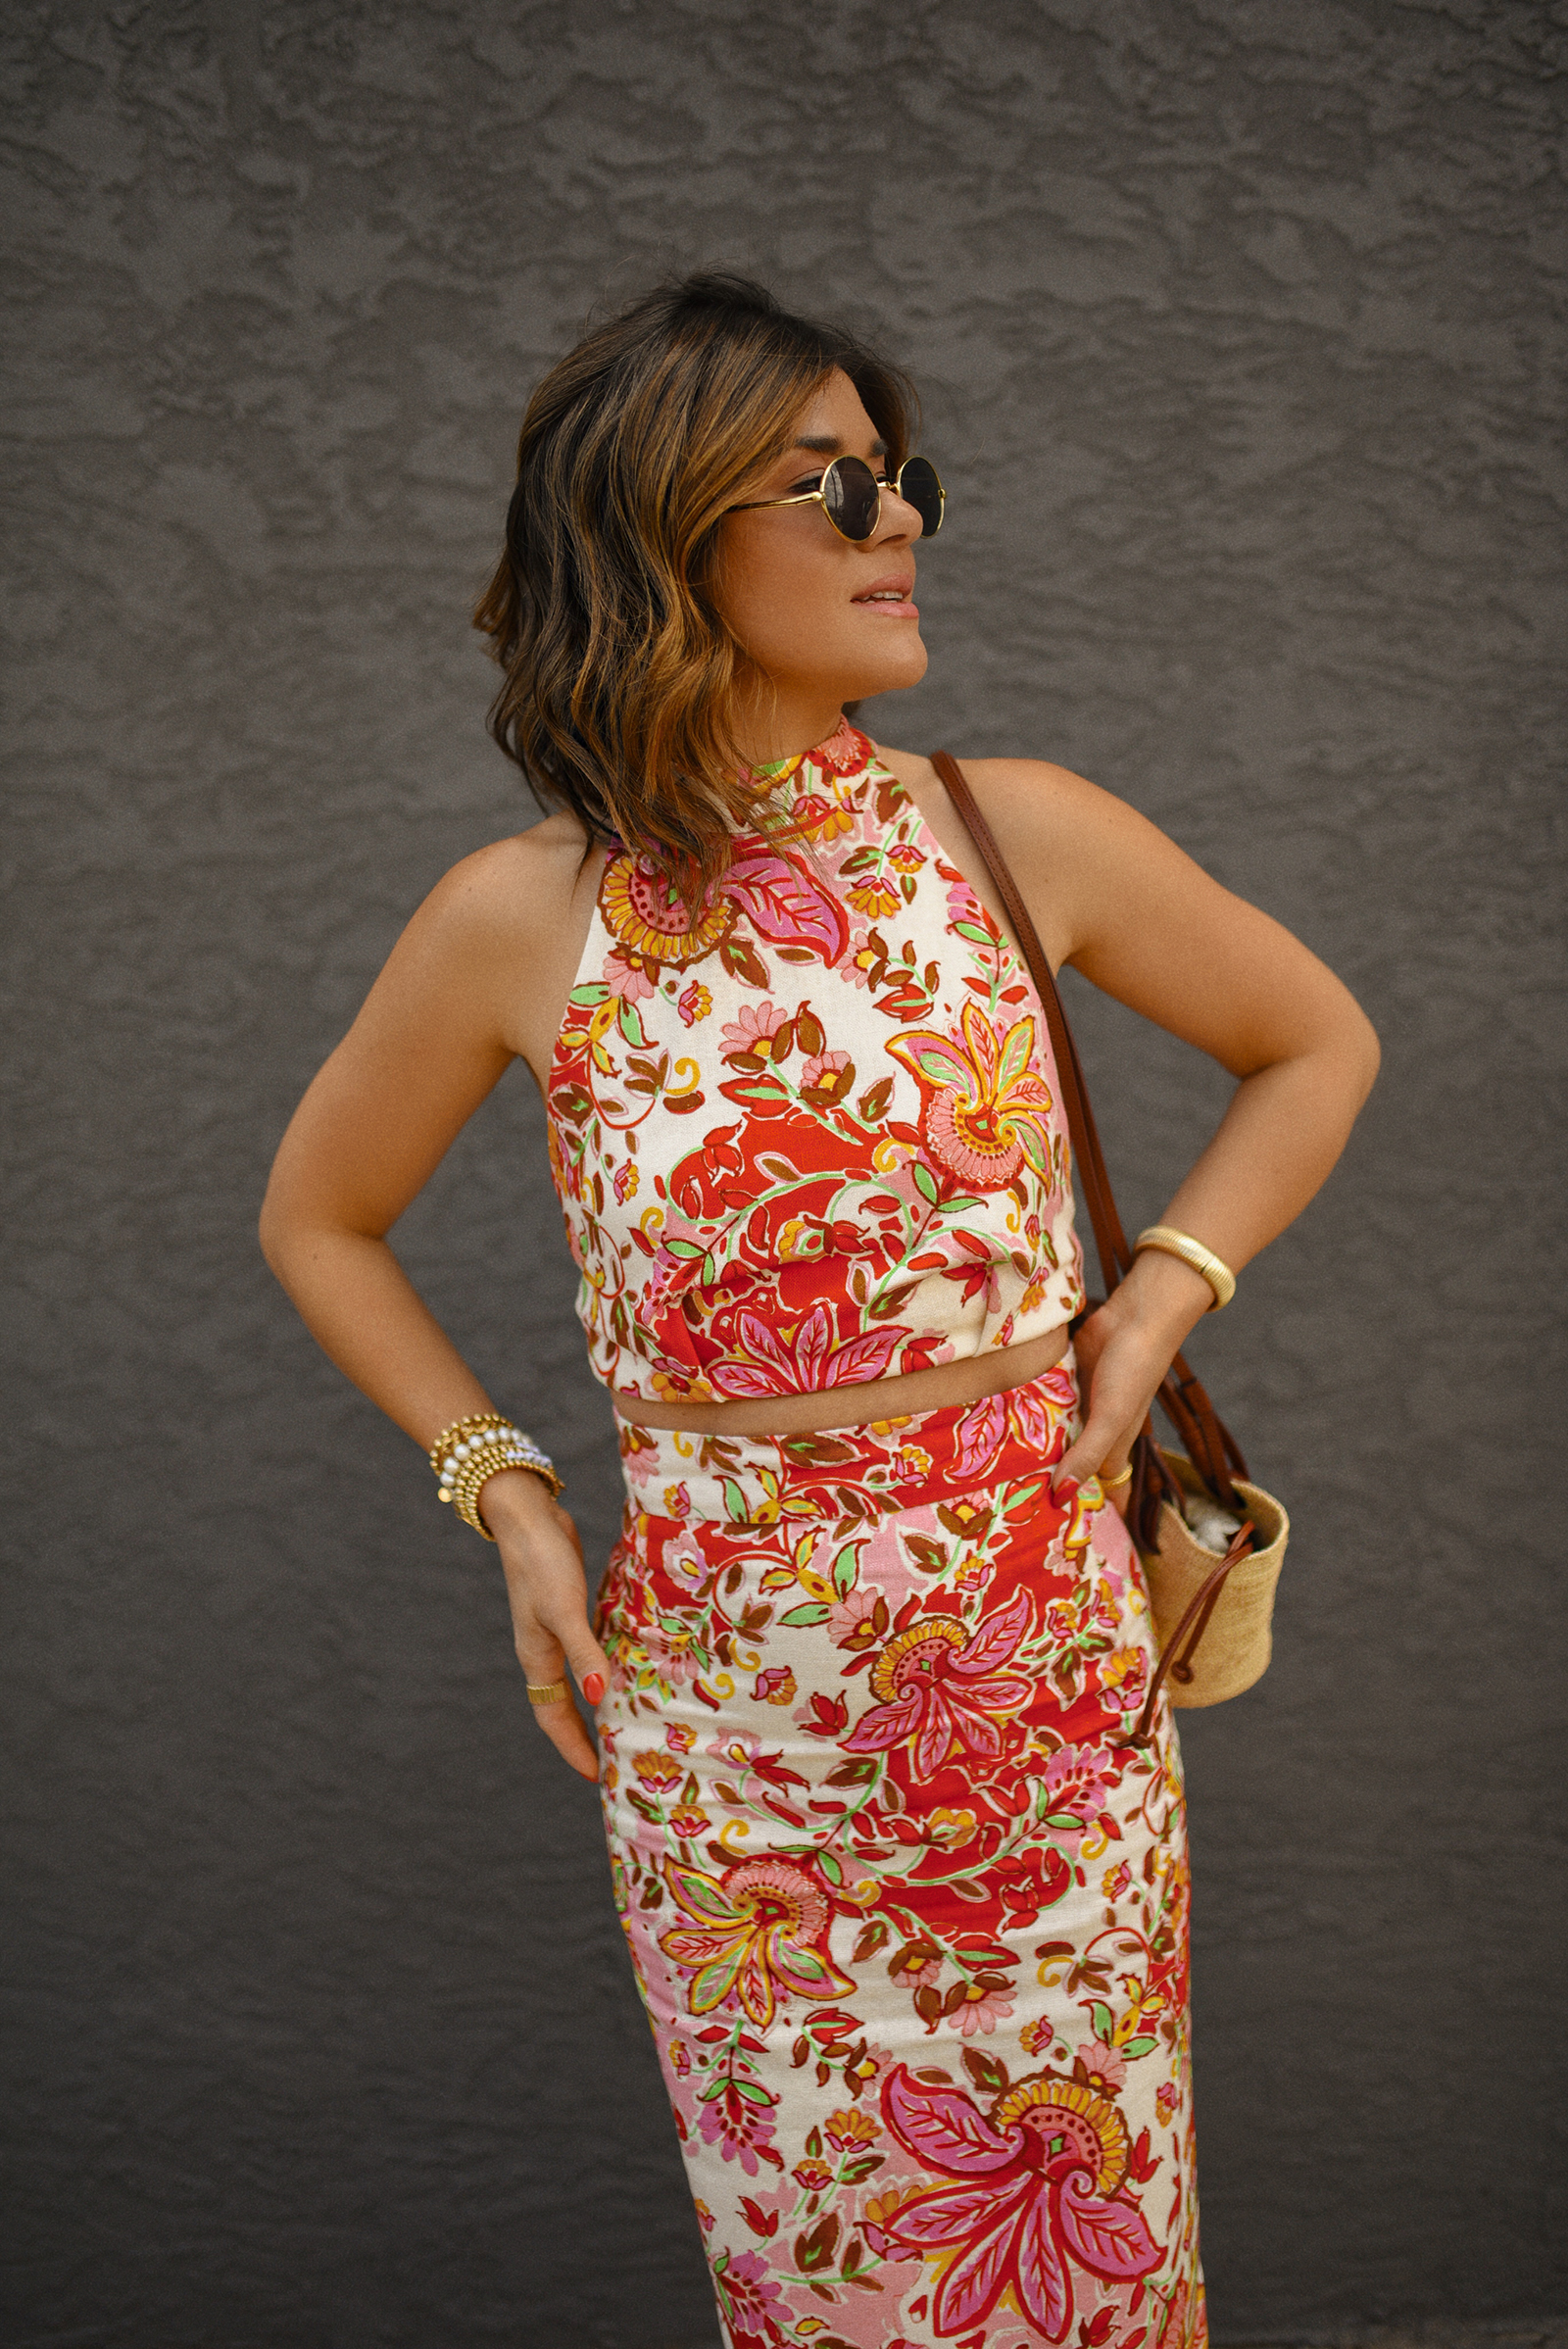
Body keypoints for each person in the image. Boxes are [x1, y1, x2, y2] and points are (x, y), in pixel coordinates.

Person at [260, 272, 1378, 2349]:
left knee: (1091, 2249)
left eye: (903, 475)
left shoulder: (1011, 831)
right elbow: (320, 1214)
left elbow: (1313, 1040)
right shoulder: (522, 917)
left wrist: (1149, 1305)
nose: (900, 520)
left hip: (1040, 1704)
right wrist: (502, 1490)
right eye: (828, 482)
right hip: (729, 1752)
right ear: (650, 530)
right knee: (817, 2272)